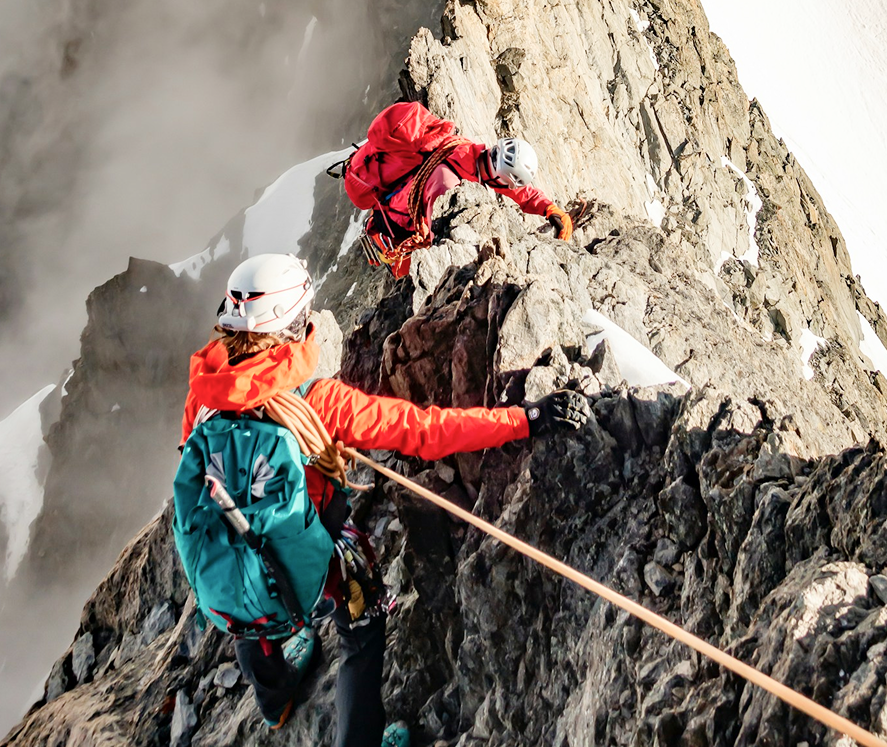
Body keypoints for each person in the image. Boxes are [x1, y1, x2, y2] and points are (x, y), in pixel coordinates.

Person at [174, 253, 590, 747]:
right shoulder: (317, 401)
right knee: (361, 627)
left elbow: (198, 465)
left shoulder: (206, 392)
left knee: (252, 611)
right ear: (294, 323)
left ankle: (276, 700)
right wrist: (522, 420)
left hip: (229, 557)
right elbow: (422, 431)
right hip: (316, 552)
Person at [337, 101, 575, 277]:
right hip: (394, 235)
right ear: (501, 177)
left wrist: (548, 208)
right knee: (409, 295)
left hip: (397, 214)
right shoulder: (448, 183)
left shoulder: (469, 152)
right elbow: (431, 236)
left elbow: (514, 188)